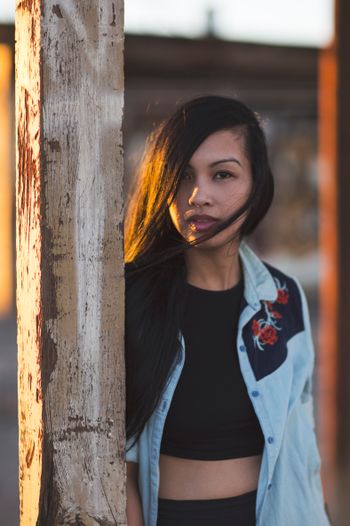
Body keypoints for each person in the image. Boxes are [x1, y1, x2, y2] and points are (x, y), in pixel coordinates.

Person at [124, 95, 331, 526]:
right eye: (182, 177)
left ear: (256, 185)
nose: (198, 196)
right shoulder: (130, 300)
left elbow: (300, 449)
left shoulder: (284, 299)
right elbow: (114, 463)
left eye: (222, 175)